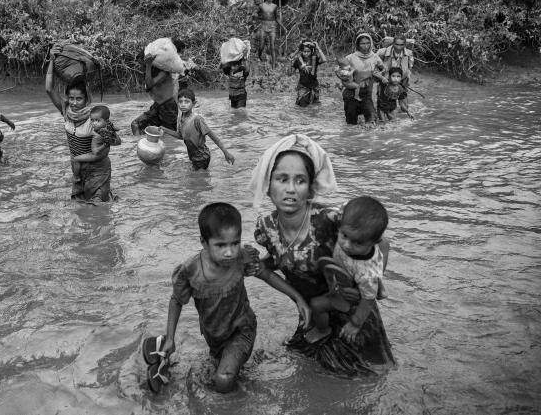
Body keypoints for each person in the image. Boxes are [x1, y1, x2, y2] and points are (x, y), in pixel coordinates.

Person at [249, 134, 394, 375]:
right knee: (305, 377)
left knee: (363, 383)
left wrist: (368, 287)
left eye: (300, 181)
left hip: (352, 319)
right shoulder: (266, 228)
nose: (290, 189)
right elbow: (282, 261)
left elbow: (382, 243)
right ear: (268, 184)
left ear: (310, 189)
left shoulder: (331, 219)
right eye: (281, 179)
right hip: (316, 316)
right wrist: (254, 268)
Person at [153, 203, 310, 393]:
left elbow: (266, 275)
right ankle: (245, 380)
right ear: (204, 242)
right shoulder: (190, 271)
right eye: (220, 245)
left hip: (242, 329)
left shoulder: (242, 258)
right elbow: (176, 301)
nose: (229, 252)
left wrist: (298, 298)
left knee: (223, 379)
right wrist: (170, 338)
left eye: (234, 243)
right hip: (214, 335)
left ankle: (240, 400)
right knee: (221, 372)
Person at [304, 196, 389, 344]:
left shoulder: (366, 272)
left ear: (374, 242)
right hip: (342, 271)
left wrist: (355, 324)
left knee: (316, 305)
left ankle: (323, 330)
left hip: (354, 288)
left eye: (358, 242)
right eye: (344, 235)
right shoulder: (350, 225)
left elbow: (368, 300)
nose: (347, 245)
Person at [46, 71, 114, 202]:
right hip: (78, 172)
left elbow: (104, 151)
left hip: (98, 170)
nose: (74, 103)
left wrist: (79, 158)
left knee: (98, 207)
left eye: (79, 99)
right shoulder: (67, 112)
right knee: (80, 208)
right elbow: (49, 89)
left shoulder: (95, 119)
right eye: (71, 98)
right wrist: (51, 60)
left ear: (86, 99)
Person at [161, 89, 235, 170]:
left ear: (194, 103)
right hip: (193, 156)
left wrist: (226, 152)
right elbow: (181, 136)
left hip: (202, 157)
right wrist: (166, 130)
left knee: (197, 179)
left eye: (187, 102)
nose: (183, 105)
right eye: (180, 101)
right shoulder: (180, 118)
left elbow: (213, 136)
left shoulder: (197, 119)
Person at [70, 105, 121, 201]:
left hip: (95, 156)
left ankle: (76, 177)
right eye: (92, 120)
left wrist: (106, 143)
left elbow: (117, 142)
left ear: (106, 121)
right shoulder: (100, 129)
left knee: (75, 159)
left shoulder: (103, 131)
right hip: (95, 159)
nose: (94, 123)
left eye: (97, 121)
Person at [339, 33, 386, 125]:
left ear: (371, 43)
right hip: (351, 93)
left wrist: (378, 75)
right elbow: (342, 72)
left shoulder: (375, 57)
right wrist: (343, 80)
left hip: (367, 93)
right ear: (357, 44)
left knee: (372, 120)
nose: (365, 46)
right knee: (351, 123)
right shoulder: (350, 57)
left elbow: (383, 69)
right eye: (362, 44)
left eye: (368, 43)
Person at [131, 51, 181, 136]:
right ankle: (139, 145)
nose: (141, 66)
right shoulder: (151, 72)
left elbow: (149, 85)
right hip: (157, 106)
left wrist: (148, 65)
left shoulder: (164, 72)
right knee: (136, 124)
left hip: (168, 107)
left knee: (168, 134)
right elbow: (148, 87)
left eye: (142, 63)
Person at [376, 36, 415, 114]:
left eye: (401, 45)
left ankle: (396, 113)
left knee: (404, 107)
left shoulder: (409, 53)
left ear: (405, 45)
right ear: (393, 43)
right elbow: (374, 68)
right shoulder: (382, 52)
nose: (399, 47)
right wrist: (381, 78)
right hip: (385, 81)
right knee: (384, 105)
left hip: (401, 80)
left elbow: (409, 68)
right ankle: (383, 117)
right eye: (396, 44)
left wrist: (406, 81)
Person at [293, 40, 327, 107]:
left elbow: (324, 60)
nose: (306, 53)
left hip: (314, 85)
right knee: (301, 105)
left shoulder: (314, 59)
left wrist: (318, 48)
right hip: (303, 85)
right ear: (302, 52)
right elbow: (291, 71)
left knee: (315, 104)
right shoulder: (298, 60)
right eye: (304, 51)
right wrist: (302, 67)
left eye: (308, 51)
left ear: (311, 52)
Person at [220, 38, 250, 109]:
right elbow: (222, 66)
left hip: (241, 96)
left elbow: (247, 70)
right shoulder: (229, 68)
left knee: (240, 112)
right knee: (234, 113)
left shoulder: (242, 67)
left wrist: (245, 57)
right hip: (232, 95)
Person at [256, 0, 279, 66]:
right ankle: (259, 56)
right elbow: (256, 14)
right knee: (261, 45)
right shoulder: (261, 5)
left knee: (272, 45)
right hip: (263, 26)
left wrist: (283, 26)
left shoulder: (275, 6)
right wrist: (258, 16)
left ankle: (273, 64)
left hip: (272, 26)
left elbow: (276, 18)